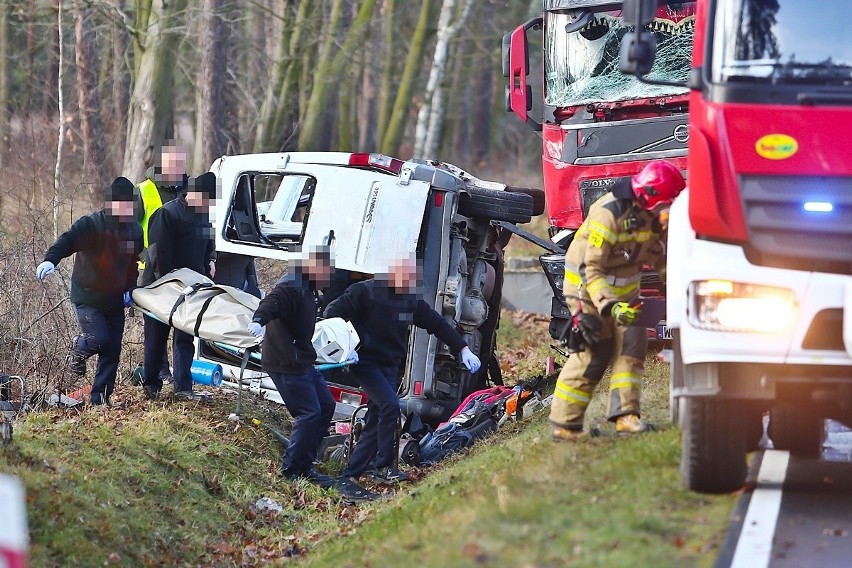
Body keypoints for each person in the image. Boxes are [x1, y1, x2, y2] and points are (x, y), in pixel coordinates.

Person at [549, 159, 685, 440]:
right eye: (668, 201)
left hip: (627, 295)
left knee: (631, 351)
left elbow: (658, 256)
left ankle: (627, 418)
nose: (670, 209)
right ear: (651, 195)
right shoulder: (608, 214)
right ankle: (565, 426)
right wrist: (610, 306)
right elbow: (591, 268)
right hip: (588, 293)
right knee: (592, 354)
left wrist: (677, 286)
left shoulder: (650, 215)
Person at [324, 255, 482, 485]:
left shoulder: (410, 301)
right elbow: (331, 312)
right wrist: (344, 347)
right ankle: (386, 466)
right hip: (365, 362)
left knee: (377, 416)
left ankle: (352, 472)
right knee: (389, 406)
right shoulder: (364, 291)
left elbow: (436, 324)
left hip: (389, 365)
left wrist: (463, 348)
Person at [36, 177, 143, 406]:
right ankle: (79, 347)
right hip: (88, 297)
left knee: (112, 350)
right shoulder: (92, 224)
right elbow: (68, 240)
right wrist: (51, 260)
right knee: (98, 339)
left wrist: (130, 289)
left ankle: (100, 400)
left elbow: (133, 263)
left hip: (115, 300)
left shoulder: (134, 229)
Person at [139, 172, 217, 402]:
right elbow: (158, 254)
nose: (207, 204)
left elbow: (208, 246)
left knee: (185, 339)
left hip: (192, 289)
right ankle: (151, 385)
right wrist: (170, 283)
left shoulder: (204, 216)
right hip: (161, 287)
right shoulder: (167, 214)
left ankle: (183, 387)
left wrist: (210, 263)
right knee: (155, 339)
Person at [136, 141, 189, 384]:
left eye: (181, 163)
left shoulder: (191, 191)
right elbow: (127, 229)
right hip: (152, 272)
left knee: (183, 329)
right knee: (155, 330)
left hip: (185, 274)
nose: (178, 168)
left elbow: (206, 231)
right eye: (173, 164)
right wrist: (141, 256)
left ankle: (177, 379)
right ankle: (156, 375)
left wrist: (209, 258)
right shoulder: (144, 190)